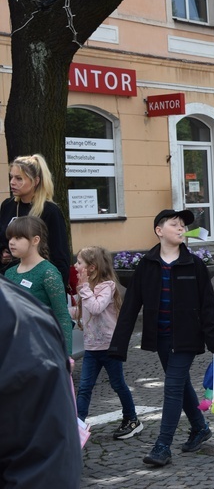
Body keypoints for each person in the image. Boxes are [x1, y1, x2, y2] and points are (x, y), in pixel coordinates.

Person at [109, 209, 214, 467]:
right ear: (159, 230)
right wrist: (118, 345)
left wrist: (212, 337)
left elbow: (208, 304)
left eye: (183, 225)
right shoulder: (147, 265)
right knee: (180, 385)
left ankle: (163, 446)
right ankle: (200, 428)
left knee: (172, 388)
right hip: (160, 337)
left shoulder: (194, 264)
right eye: (175, 224)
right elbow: (130, 308)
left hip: (186, 338)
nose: (181, 228)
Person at [0, 276, 82, 487]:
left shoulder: (19, 316)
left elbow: (41, 461)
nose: (12, 244)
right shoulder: (13, 275)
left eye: (18, 239)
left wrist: (66, 350)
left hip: (40, 355)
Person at [71, 246, 142, 439]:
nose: (75, 266)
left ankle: (132, 419)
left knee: (118, 384)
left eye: (79, 263)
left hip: (110, 347)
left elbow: (95, 307)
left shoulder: (107, 286)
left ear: (91, 267)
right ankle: (77, 424)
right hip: (92, 348)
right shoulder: (85, 288)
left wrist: (84, 288)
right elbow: (79, 312)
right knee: (85, 387)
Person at [0, 154, 70, 287]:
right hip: (7, 281)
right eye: (11, 177)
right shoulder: (7, 206)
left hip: (36, 286)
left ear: (36, 181)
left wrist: (54, 290)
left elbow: (59, 256)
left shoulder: (49, 211)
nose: (12, 182)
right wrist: (3, 253)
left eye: (19, 178)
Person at [4, 216, 71, 354]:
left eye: (18, 238)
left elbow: (62, 316)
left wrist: (66, 355)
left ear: (35, 240)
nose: (11, 242)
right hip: (14, 348)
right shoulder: (9, 273)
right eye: (10, 238)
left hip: (42, 348)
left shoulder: (48, 273)